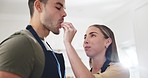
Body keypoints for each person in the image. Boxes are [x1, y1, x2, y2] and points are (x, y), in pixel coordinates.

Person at [0, 0, 67, 78]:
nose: (64, 14)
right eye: (58, 7)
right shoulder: (21, 44)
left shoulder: (44, 46)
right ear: (38, 6)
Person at [62, 23, 130, 78]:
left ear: (107, 42)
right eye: (85, 37)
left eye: (93, 35)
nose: (86, 41)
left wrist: (67, 43)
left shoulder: (120, 71)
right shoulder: (88, 73)